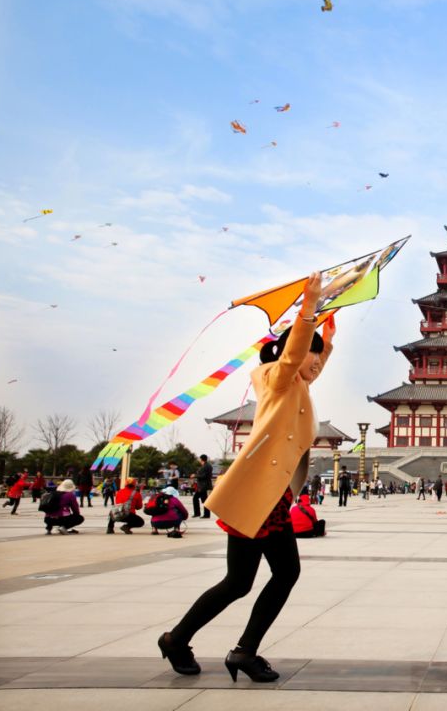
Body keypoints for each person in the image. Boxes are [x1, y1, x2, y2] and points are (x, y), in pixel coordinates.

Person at [160, 272, 334, 683]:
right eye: (315, 358)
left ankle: (220, 647)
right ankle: (199, 642)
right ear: (294, 354)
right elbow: (295, 357)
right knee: (250, 579)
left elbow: (307, 359)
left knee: (259, 578)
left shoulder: (296, 384)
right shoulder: (279, 377)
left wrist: (327, 336)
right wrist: (308, 309)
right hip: (255, 495)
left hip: (270, 498)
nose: (317, 365)